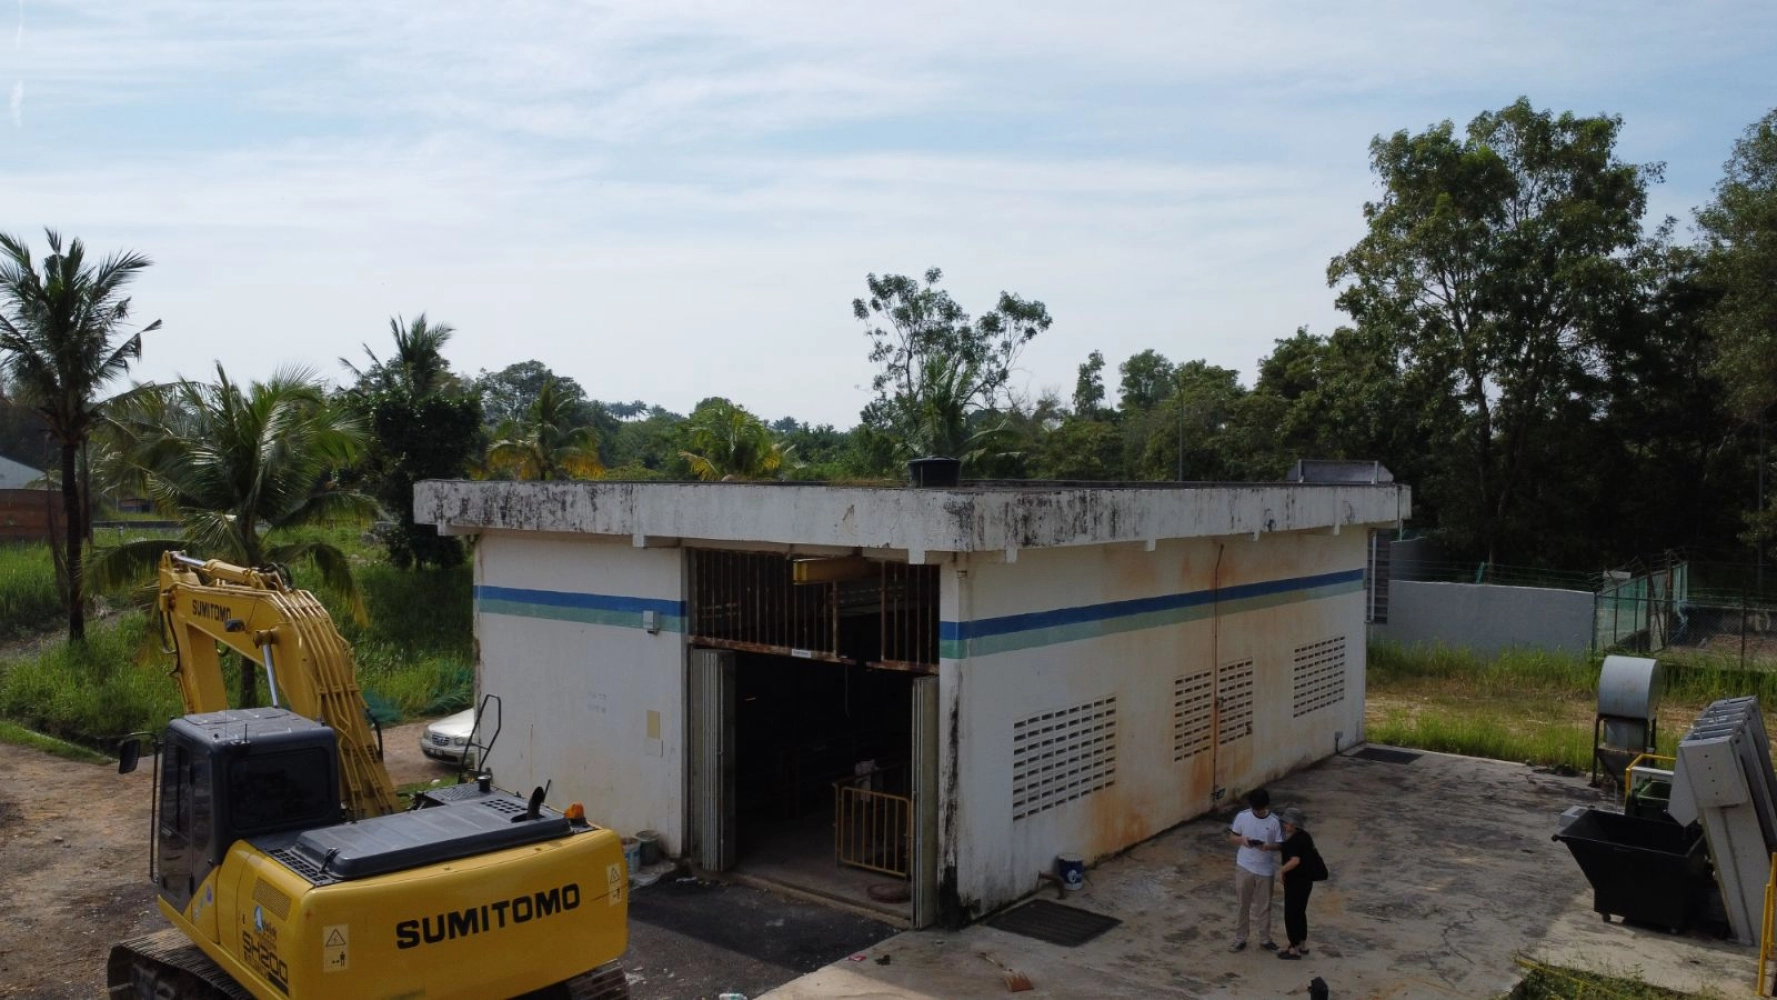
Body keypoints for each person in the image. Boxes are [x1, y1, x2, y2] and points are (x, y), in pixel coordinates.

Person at [1227, 787, 1281, 952]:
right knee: (1243, 903)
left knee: (1264, 906)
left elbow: (1280, 845)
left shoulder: (1274, 821)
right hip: (1245, 865)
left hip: (1265, 869)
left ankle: (1265, 938)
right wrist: (1242, 840)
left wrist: (1268, 847)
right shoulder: (1242, 817)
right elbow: (1232, 837)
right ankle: (1240, 937)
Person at [1275, 806, 1325, 960]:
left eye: (1286, 822)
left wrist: (1282, 870)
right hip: (1305, 881)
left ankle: (1293, 947)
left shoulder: (1296, 839)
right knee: (1300, 912)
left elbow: (1295, 860)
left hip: (1295, 882)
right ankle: (1301, 943)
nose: (1284, 825)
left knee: (1291, 914)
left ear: (1293, 823)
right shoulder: (1304, 836)